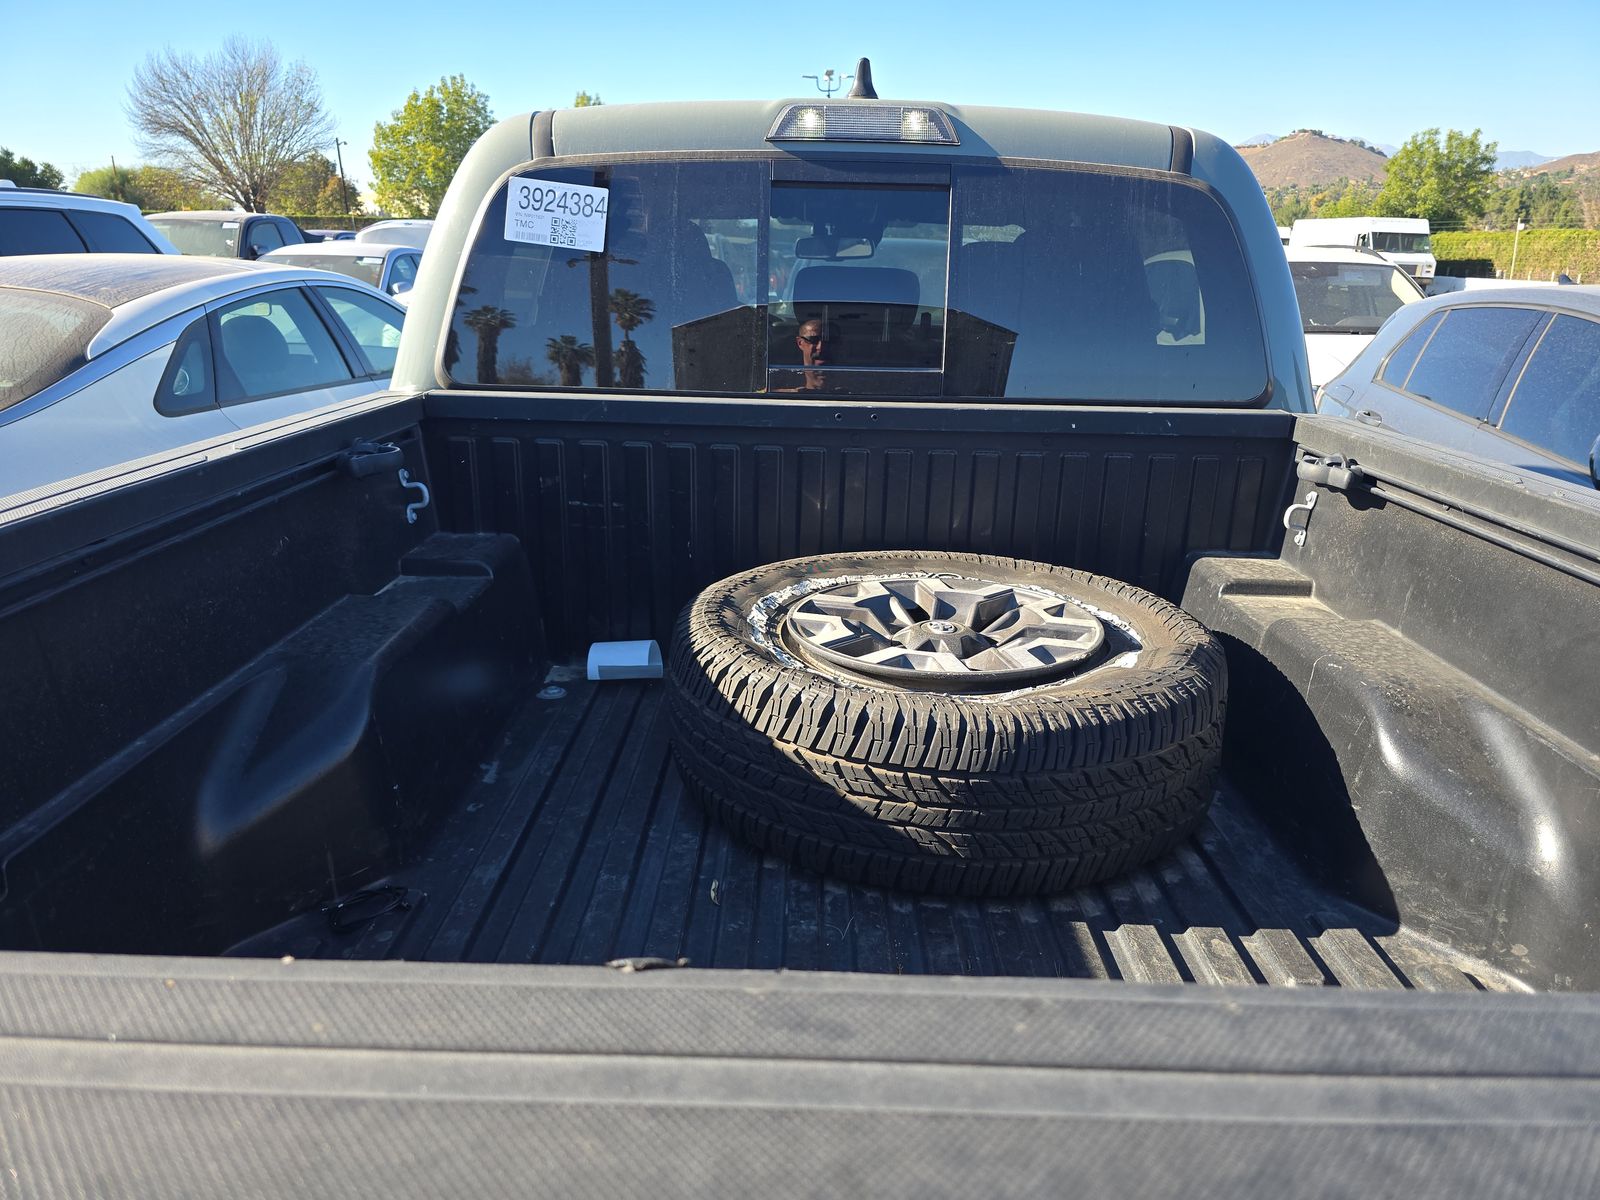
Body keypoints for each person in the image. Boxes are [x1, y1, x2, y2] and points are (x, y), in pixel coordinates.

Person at [773, 316, 839, 392]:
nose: (820, 347)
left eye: (831, 341)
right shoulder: (778, 398)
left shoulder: (853, 396)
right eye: (813, 340)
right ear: (800, 342)